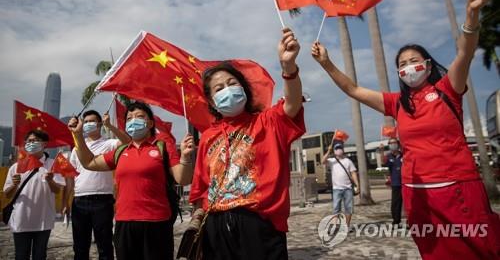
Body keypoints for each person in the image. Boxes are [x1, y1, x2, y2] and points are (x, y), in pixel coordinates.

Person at [312, 0, 500, 259]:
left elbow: (465, 52)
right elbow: (353, 89)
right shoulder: (397, 103)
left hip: (458, 189)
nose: (409, 66)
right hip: (418, 194)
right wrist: (327, 64)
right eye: (402, 64)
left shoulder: (448, 88)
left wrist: (472, 13)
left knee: (480, 249)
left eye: (414, 61)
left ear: (426, 64)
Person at [189, 27, 305, 260]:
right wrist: (198, 224)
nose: (227, 90)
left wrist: (288, 68)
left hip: (259, 225)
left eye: (232, 83)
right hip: (216, 227)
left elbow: (292, 105)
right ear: (212, 101)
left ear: (243, 88)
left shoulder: (269, 121)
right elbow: (201, 188)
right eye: (219, 89)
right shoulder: (208, 137)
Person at [68, 102, 194, 260]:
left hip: (156, 223)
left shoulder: (162, 147)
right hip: (124, 223)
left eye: (140, 117)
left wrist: (185, 157)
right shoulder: (120, 151)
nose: (133, 120)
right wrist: (78, 136)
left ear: (150, 123)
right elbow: (89, 162)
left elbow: (183, 179)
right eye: (129, 118)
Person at [63, 110, 130, 260]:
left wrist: (110, 126)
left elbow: (127, 142)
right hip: (79, 201)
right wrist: (67, 201)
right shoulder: (76, 148)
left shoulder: (109, 144)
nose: (88, 124)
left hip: (102, 201)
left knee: (104, 245)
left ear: (99, 124)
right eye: (85, 122)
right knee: (80, 247)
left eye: (92, 121)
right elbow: (71, 176)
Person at [3, 130, 66, 260]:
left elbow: (57, 190)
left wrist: (50, 180)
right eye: (29, 141)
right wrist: (14, 185)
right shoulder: (16, 167)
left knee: (40, 255)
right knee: (21, 255)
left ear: (44, 144)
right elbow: (7, 195)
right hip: (21, 219)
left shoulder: (53, 164)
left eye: (35, 140)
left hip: (43, 220)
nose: (31, 143)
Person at [321, 141, 359, 228]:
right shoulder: (332, 161)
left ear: (343, 150)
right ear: (334, 151)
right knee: (336, 208)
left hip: (348, 188)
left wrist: (357, 184)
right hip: (336, 189)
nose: (339, 150)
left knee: (349, 208)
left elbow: (353, 173)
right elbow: (323, 161)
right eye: (337, 149)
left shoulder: (348, 161)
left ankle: (347, 226)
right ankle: (335, 225)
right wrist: (328, 151)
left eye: (340, 148)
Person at [383, 138, 403, 226]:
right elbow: (384, 163)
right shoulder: (389, 157)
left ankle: (411, 221)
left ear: (398, 144)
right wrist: (381, 151)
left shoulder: (404, 155)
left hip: (406, 182)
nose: (392, 144)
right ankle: (396, 221)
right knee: (395, 203)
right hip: (396, 183)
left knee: (409, 204)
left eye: (394, 143)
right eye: (390, 143)